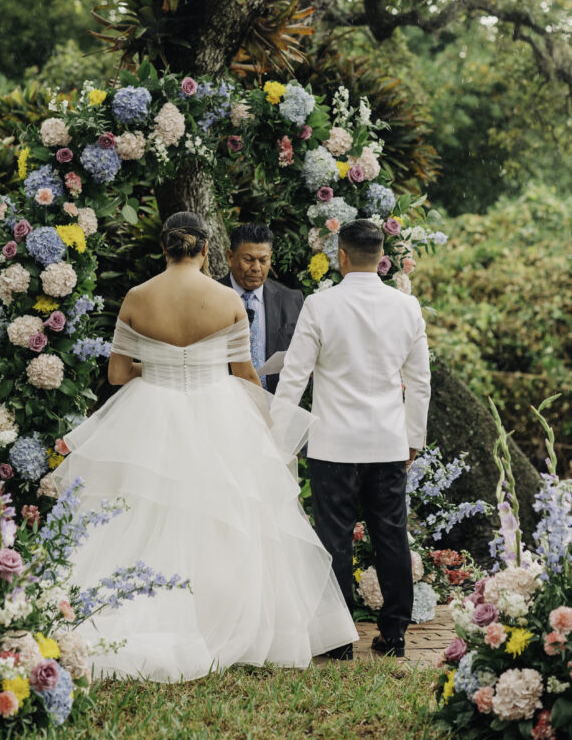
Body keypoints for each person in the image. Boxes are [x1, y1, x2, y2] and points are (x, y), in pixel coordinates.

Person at [52, 211, 357, 681]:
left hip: (150, 411)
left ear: (164, 248)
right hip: (220, 412)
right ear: (207, 252)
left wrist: (153, 371)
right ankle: (221, 618)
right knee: (225, 516)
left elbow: (115, 375)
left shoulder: (136, 297)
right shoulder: (224, 299)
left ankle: (126, 614)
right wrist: (270, 426)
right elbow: (244, 374)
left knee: (139, 513)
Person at [271, 219, 432, 659]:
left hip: (333, 444)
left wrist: (279, 438)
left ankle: (339, 639)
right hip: (387, 442)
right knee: (392, 535)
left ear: (341, 256)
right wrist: (412, 437)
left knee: (334, 539)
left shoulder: (321, 306)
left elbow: (294, 377)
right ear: (381, 257)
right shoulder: (407, 307)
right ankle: (395, 634)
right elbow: (419, 383)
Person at [218, 223, 303, 391]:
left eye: (263, 260)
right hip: (224, 405)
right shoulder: (210, 297)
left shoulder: (291, 299)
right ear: (230, 257)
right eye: (248, 260)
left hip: (277, 407)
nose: (256, 268)